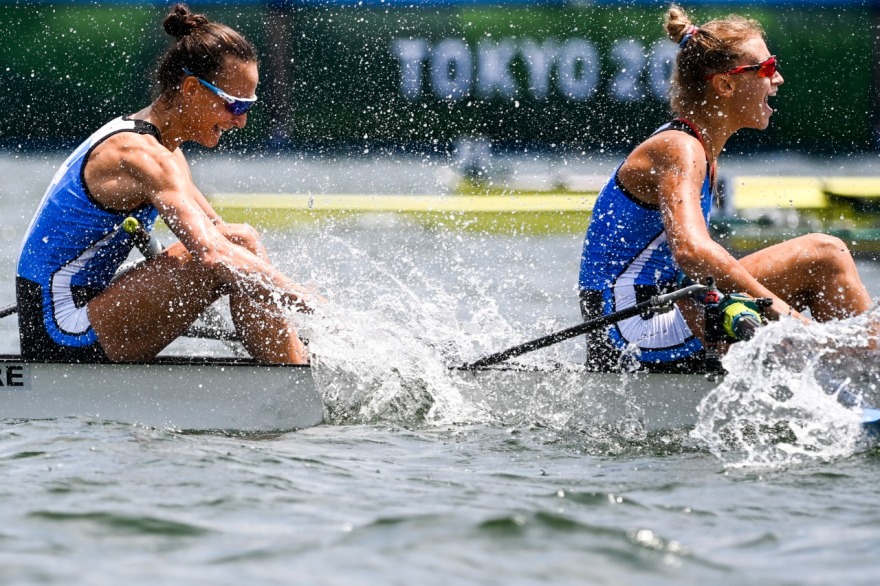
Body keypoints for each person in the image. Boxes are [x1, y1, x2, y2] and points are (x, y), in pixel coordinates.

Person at [577, 4, 872, 373]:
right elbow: (692, 251)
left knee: (819, 264)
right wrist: (786, 315)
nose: (777, 78)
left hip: (663, 310)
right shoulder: (679, 148)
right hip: (630, 330)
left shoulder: (699, 147)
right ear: (726, 83)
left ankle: (854, 373)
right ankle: (863, 376)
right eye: (766, 69)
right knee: (824, 256)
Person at [16, 4, 316, 364]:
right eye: (234, 106)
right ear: (191, 89)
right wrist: (313, 303)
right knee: (235, 245)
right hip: (60, 332)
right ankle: (293, 377)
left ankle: (292, 364)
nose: (241, 122)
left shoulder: (164, 147)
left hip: (81, 308)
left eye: (248, 106)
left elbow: (219, 235)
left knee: (242, 241)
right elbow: (213, 253)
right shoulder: (142, 155)